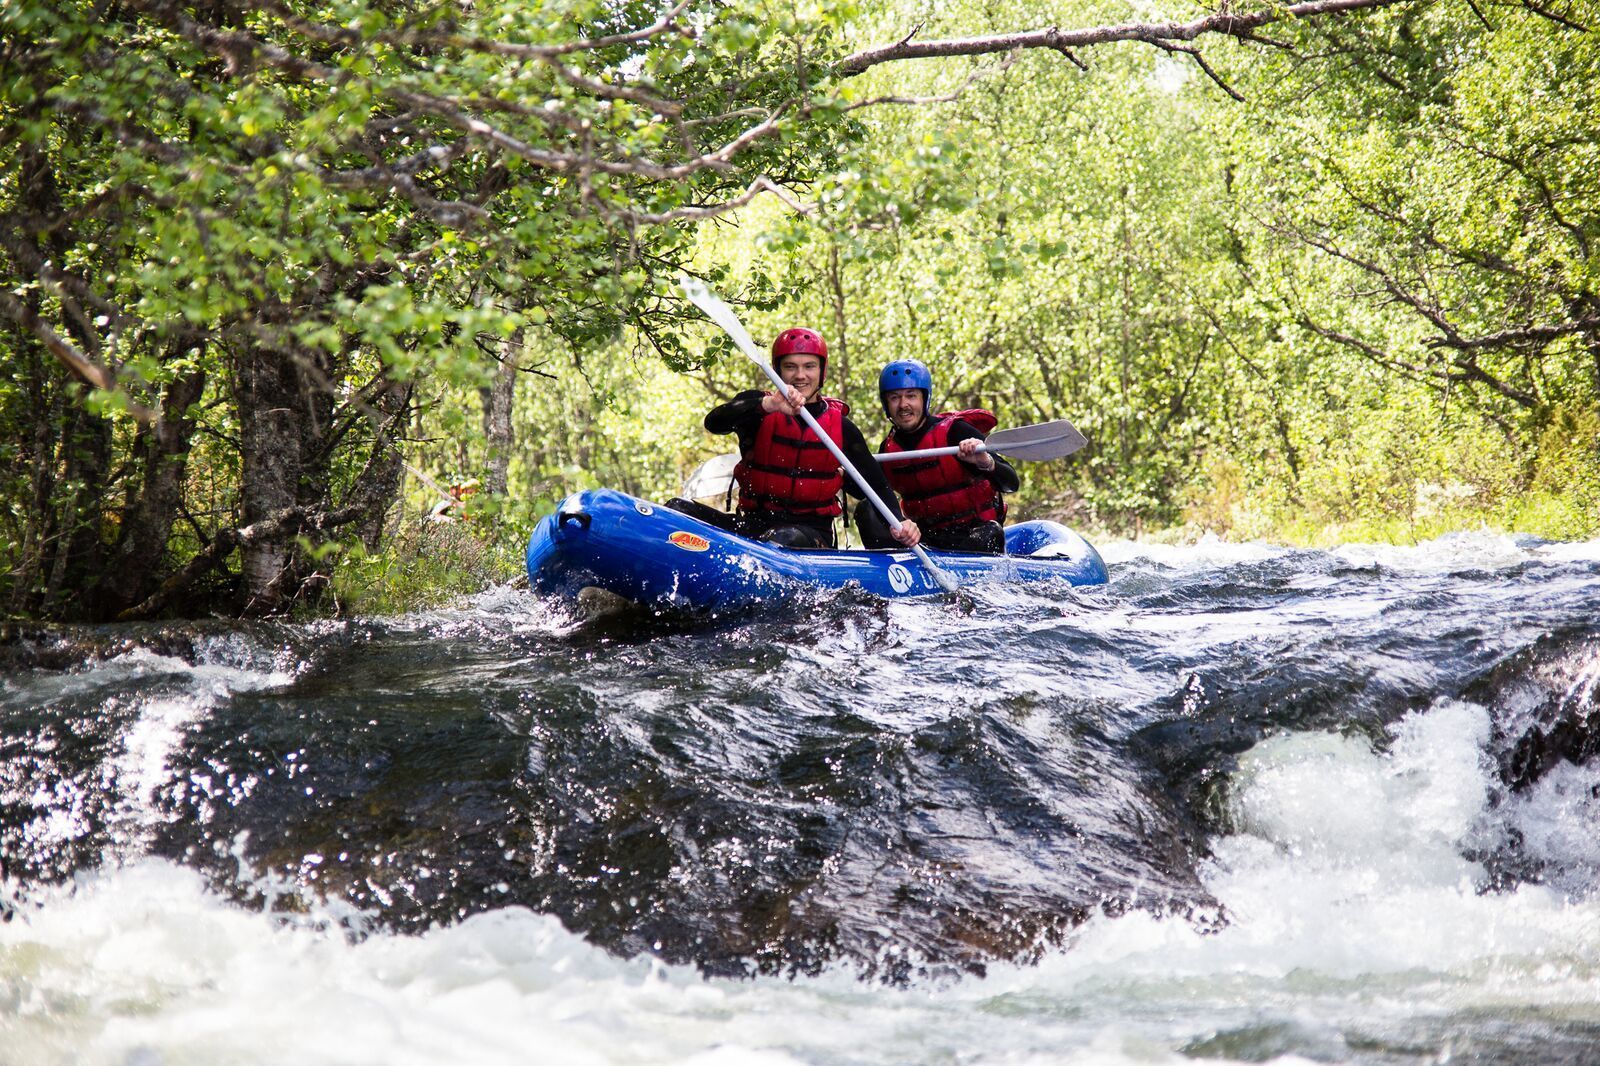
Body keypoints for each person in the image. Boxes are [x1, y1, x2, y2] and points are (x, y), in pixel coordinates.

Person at [667, 327, 920, 550]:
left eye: (809, 366)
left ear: (822, 372)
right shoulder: (758, 408)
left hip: (809, 535)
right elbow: (714, 423)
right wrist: (768, 404)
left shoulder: (842, 428)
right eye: (791, 367)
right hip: (750, 526)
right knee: (676, 510)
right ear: (778, 370)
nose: (800, 375)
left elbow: (877, 486)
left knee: (781, 538)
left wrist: (901, 523)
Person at [867, 359, 1018, 554]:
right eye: (895, 398)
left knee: (989, 534)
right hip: (925, 542)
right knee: (867, 510)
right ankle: (884, 570)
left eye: (911, 396)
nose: (903, 405)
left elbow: (1011, 484)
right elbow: (872, 491)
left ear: (924, 399)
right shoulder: (887, 450)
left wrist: (985, 463)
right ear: (886, 404)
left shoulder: (957, 431)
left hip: (973, 533)